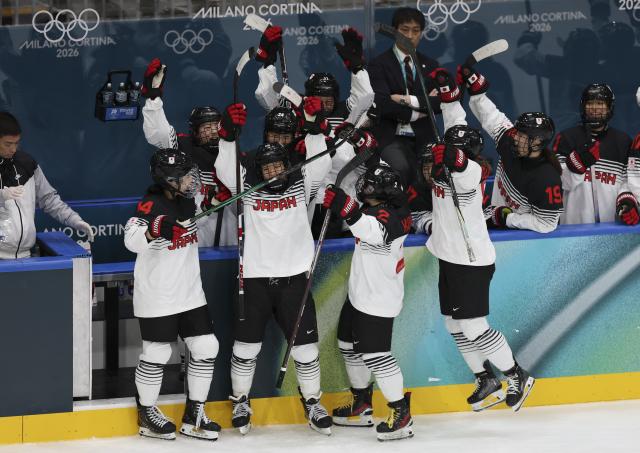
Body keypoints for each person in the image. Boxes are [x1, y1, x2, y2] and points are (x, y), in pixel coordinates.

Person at [416, 69, 535, 412]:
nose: (451, 152)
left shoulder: (472, 172)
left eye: (456, 150)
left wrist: (451, 155)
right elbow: (454, 123)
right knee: (453, 323)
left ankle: (516, 374)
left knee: (473, 324)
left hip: (471, 262)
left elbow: (462, 162)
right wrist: (448, 92)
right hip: (449, 257)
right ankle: (485, 377)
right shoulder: (449, 162)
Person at [214, 102, 334, 435]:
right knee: (245, 348)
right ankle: (240, 399)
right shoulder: (246, 183)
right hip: (253, 280)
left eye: (278, 166)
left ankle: (312, 401)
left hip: (295, 280)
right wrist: (226, 136)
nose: (273, 173)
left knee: (306, 350)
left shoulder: (301, 181)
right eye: (267, 168)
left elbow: (321, 161)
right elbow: (225, 170)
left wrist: (313, 125)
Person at [124, 148, 221, 441]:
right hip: (158, 296)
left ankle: (194, 415)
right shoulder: (149, 205)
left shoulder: (187, 201)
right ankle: (146, 413)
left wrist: (214, 201)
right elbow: (131, 240)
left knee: (206, 347)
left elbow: (200, 217)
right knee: (157, 352)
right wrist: (154, 230)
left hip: (190, 293)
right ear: (167, 180)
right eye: (185, 177)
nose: (192, 181)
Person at [324, 163, 414, 441]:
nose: (366, 188)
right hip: (360, 293)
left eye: (372, 185)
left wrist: (345, 205)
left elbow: (373, 231)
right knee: (347, 345)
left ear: (386, 190)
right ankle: (362, 402)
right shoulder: (382, 205)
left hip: (378, 298)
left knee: (376, 355)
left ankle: (401, 413)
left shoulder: (395, 215)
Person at [141, 58, 235, 247]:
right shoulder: (183, 148)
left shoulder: (231, 150)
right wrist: (153, 98)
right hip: (195, 232)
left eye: (214, 126)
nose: (211, 132)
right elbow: (157, 133)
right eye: (204, 128)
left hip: (229, 234)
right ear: (194, 132)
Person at [460, 64, 564, 233]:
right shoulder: (511, 142)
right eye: (517, 133)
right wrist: (476, 90)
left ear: (537, 142)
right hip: (498, 232)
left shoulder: (547, 178)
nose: (515, 137)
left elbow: (547, 224)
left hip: (527, 244)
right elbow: (492, 118)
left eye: (522, 136)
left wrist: (507, 218)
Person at [0, 112, 93, 259]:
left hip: (26, 256)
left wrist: (75, 220)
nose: (13, 149)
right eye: (8, 144)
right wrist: (1, 196)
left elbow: (48, 199)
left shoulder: (27, 164)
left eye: (16, 143)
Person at [368, 6, 441, 187]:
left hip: (424, 135)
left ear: (422, 34)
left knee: (435, 172)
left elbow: (439, 103)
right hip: (390, 136)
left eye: (415, 31)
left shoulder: (431, 65)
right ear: (394, 31)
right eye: (404, 30)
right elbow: (383, 103)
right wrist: (418, 112)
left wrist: (405, 99)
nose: (410, 36)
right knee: (401, 167)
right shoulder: (378, 64)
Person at [553, 83, 636, 225]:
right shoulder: (567, 138)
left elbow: (627, 182)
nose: (595, 108)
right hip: (573, 228)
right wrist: (576, 165)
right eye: (590, 103)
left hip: (611, 229)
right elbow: (558, 183)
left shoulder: (622, 141)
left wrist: (627, 201)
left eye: (600, 103)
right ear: (583, 107)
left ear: (609, 107)